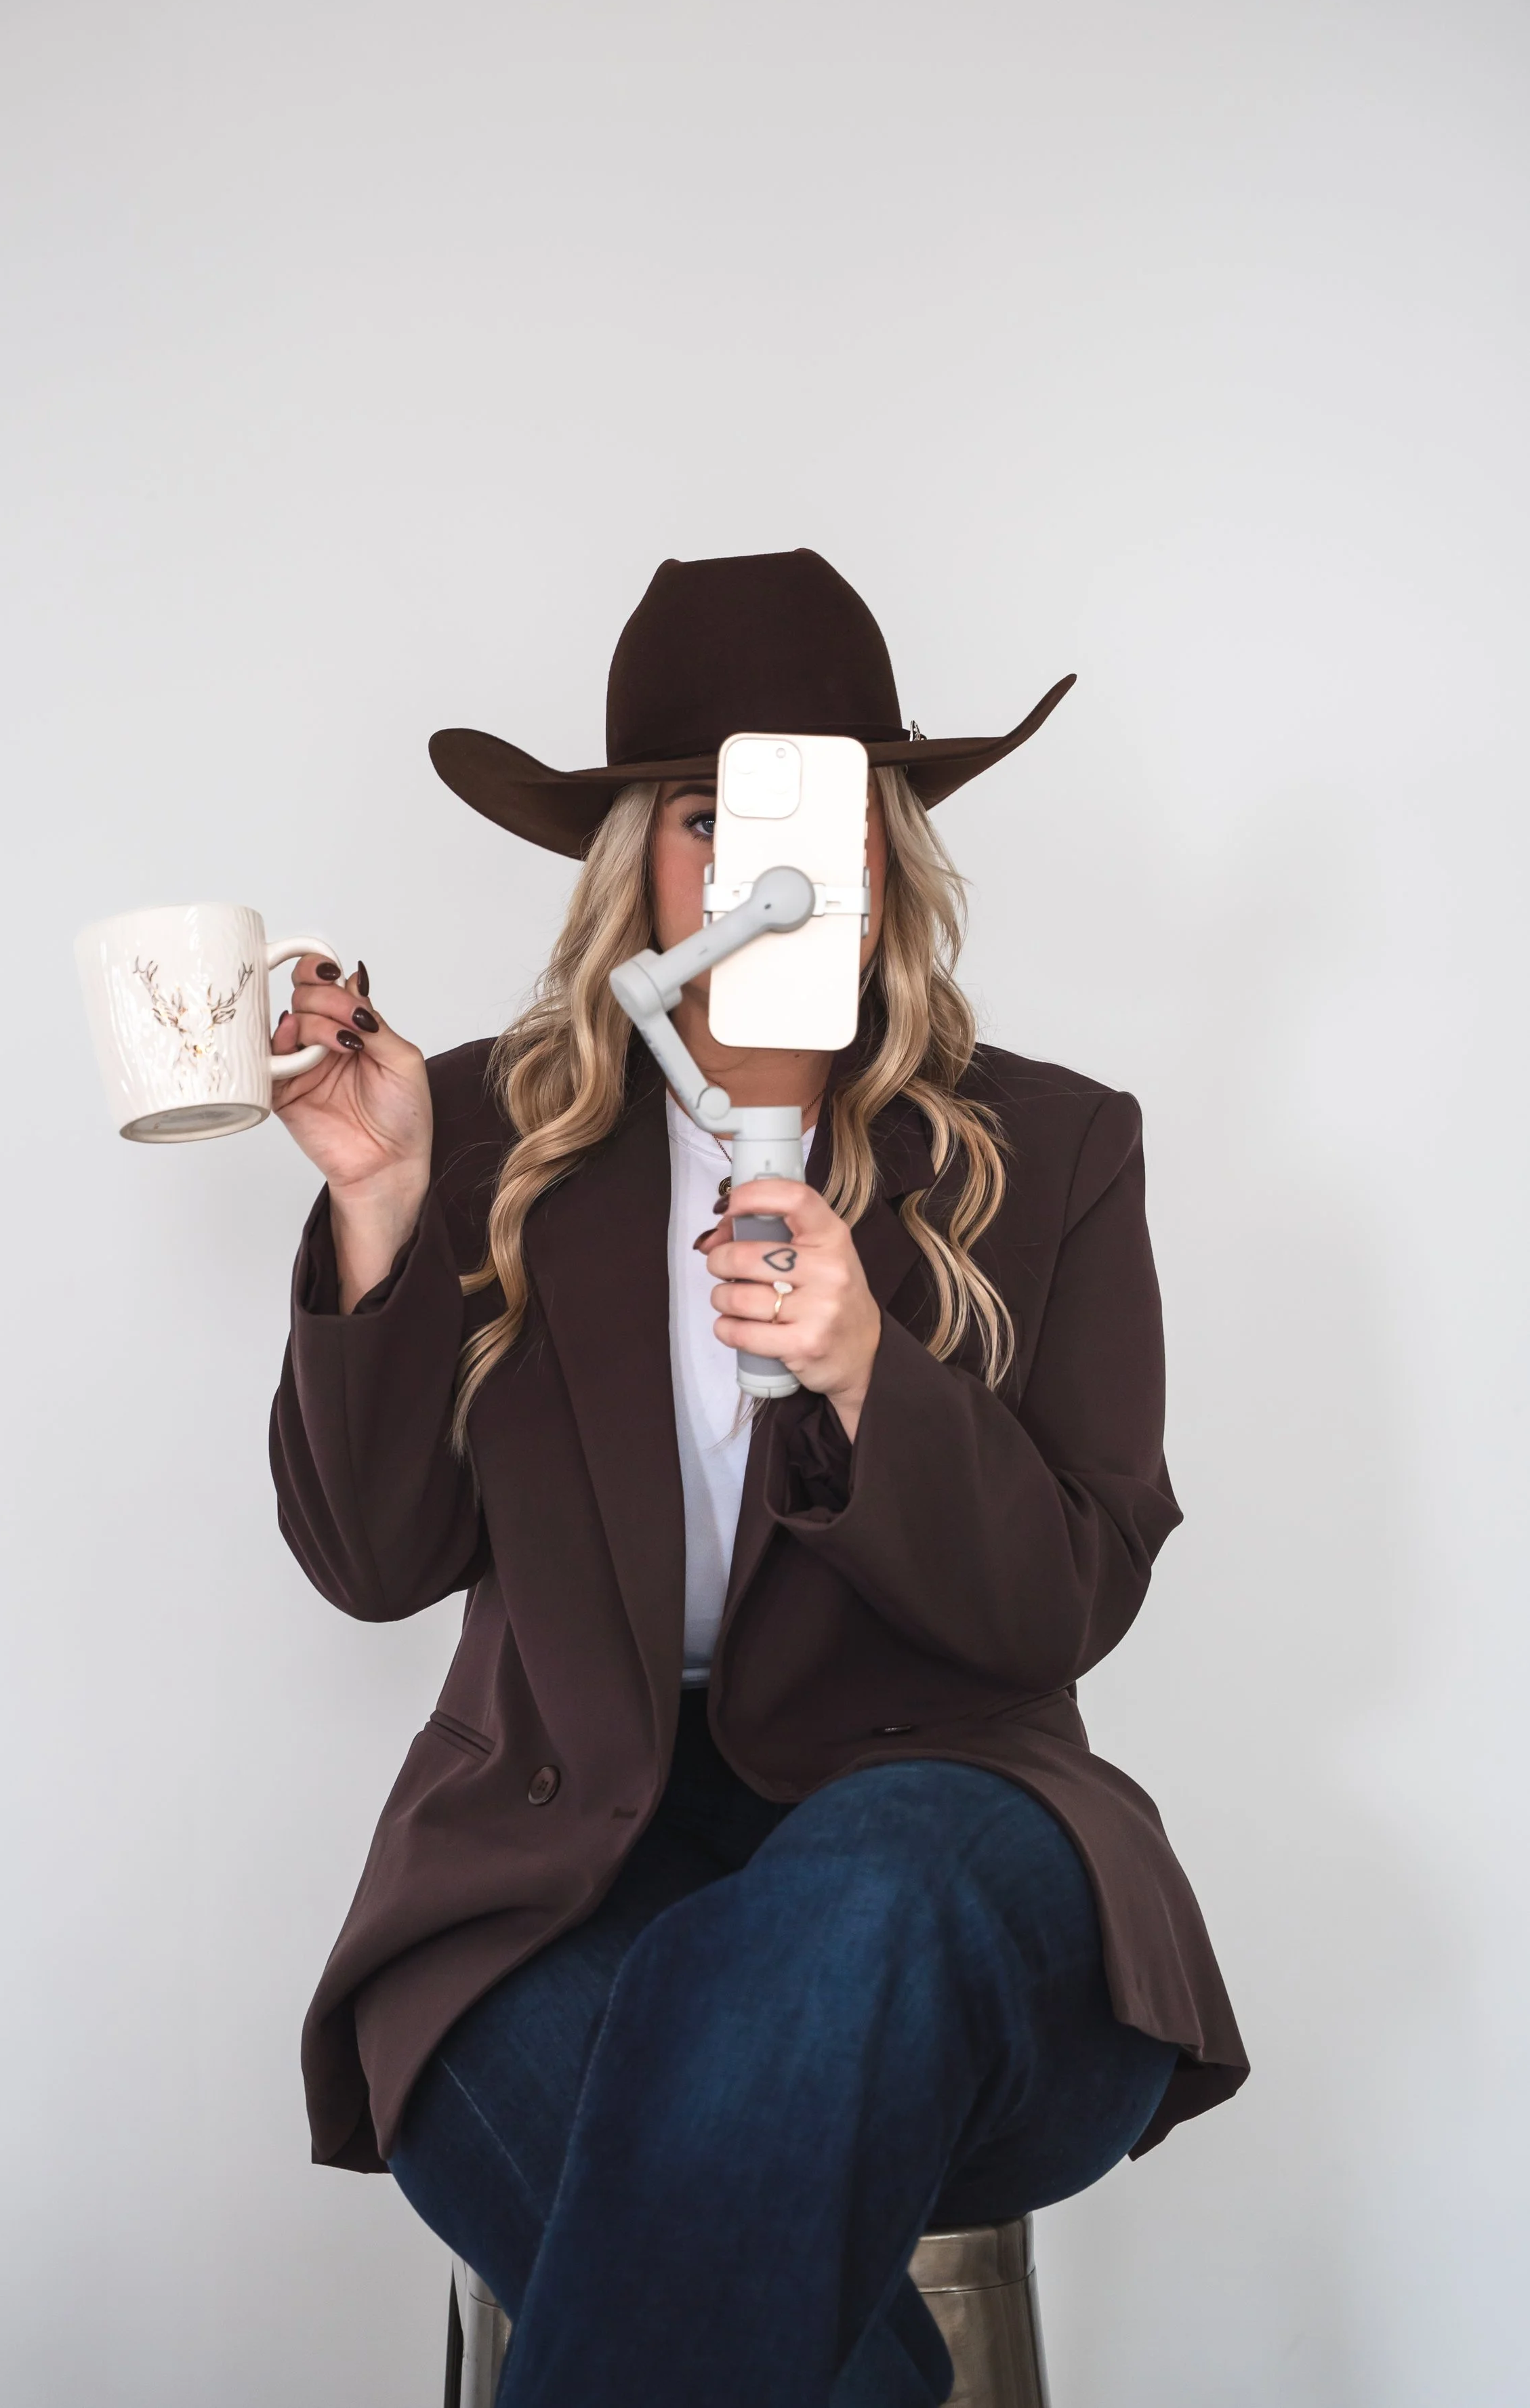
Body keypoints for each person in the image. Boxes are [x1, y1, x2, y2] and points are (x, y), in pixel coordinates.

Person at [268, 549, 1247, 2408]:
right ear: (639, 853)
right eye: (709, 817)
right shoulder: (478, 1125)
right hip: (549, 1880)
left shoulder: (1050, 1150)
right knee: (699, 2187)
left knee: (853, 1890)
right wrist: (383, 1204)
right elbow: (373, 1555)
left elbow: (1068, 1592)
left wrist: (871, 1366)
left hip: (949, 1860)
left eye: (809, 812)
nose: (755, 867)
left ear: (880, 849)